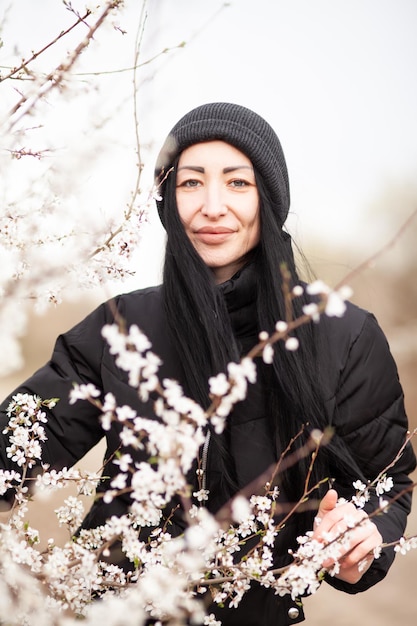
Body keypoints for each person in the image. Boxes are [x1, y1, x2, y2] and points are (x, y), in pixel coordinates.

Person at [0, 102, 415, 625]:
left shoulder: (342, 334)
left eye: (237, 183)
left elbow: (386, 482)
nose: (212, 206)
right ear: (169, 201)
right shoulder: (119, 329)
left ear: (268, 198)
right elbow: (16, 451)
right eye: (191, 183)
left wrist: (363, 540)